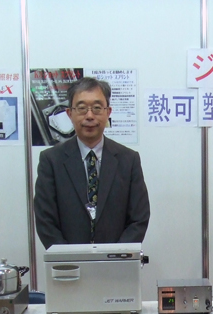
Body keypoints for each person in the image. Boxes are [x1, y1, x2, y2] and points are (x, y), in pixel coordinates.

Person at [34, 76, 150, 249]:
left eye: (97, 108)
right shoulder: (51, 160)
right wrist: (69, 257)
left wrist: (115, 256)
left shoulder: (128, 159)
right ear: (69, 114)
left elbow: (139, 219)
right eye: (82, 108)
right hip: (68, 262)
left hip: (116, 261)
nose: (89, 116)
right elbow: (45, 220)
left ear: (108, 112)